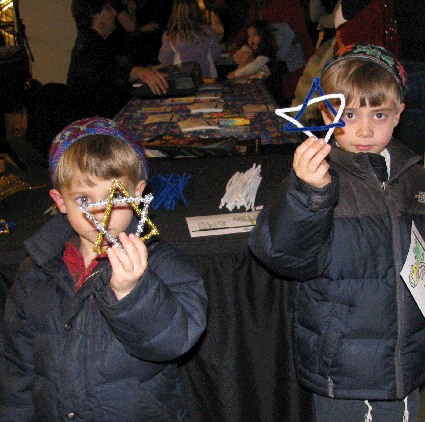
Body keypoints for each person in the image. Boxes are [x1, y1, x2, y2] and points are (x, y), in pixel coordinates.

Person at [249, 44, 425, 422]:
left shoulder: (418, 179)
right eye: (348, 114)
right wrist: (307, 194)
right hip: (343, 365)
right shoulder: (317, 177)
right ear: (327, 113)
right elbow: (282, 253)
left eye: (378, 114)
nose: (364, 129)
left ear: (398, 116)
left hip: (406, 361)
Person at [0, 117, 208, 421]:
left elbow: (176, 339)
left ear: (138, 193)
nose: (101, 214)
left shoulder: (164, 264)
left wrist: (133, 293)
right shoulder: (36, 270)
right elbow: (17, 365)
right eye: (84, 200)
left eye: (115, 197)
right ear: (60, 201)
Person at [67, 0, 168, 119]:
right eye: (109, 8)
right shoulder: (86, 45)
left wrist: (146, 70)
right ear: (95, 14)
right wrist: (136, 72)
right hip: (99, 126)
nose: (114, 13)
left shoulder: (101, 41)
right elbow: (104, 76)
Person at [158, 0, 221, 80]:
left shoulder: (170, 36)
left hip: (182, 79)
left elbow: (165, 60)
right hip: (208, 77)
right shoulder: (209, 32)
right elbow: (216, 55)